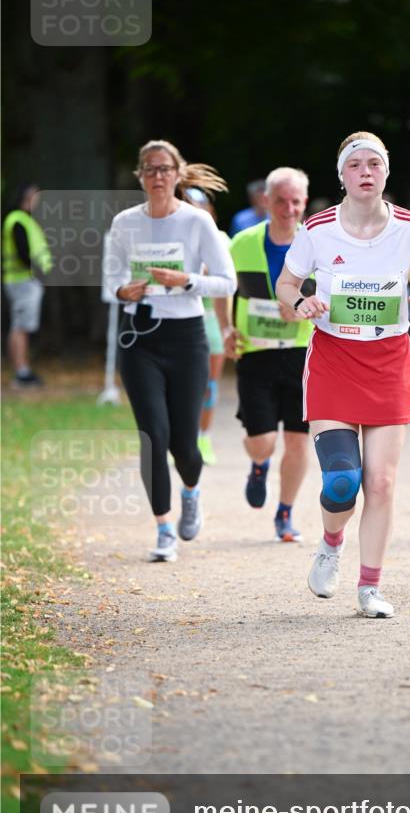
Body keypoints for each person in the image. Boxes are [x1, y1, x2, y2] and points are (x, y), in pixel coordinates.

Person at [276, 132, 410, 618]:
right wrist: (300, 302)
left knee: (381, 483)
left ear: (386, 172)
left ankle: (369, 588)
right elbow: (286, 283)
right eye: (356, 165)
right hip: (334, 359)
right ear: (342, 176)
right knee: (342, 481)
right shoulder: (318, 228)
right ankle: (331, 544)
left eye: (375, 164)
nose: (366, 172)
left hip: (389, 362)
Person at [104, 139, 237, 562]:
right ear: (140, 176)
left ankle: (191, 491)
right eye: (149, 169)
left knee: (185, 444)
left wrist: (186, 282)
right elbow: (110, 281)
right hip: (139, 338)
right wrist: (123, 289)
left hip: (186, 339)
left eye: (165, 169)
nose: (158, 176)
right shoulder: (124, 223)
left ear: (178, 175)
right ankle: (164, 529)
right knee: (152, 436)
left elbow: (227, 282)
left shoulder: (198, 223)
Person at [223, 168, 312, 543]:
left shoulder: (319, 246)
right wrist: (226, 327)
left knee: (297, 440)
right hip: (255, 352)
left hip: (302, 353)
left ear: (304, 203)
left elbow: (336, 295)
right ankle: (258, 465)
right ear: (265, 200)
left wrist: (303, 305)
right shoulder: (241, 243)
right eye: (280, 200)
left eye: (296, 201)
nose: (288, 209)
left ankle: (285, 514)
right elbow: (221, 287)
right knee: (262, 441)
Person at [182, 186, 232, 466]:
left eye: (199, 205)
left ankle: (204, 436)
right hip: (182, 319)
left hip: (211, 319)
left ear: (209, 210)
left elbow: (227, 283)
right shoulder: (174, 238)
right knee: (182, 384)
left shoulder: (222, 239)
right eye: (188, 204)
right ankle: (184, 436)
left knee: (208, 385)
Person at [2, 183, 53, 388]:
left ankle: (23, 370)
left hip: (24, 281)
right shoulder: (18, 220)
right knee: (20, 327)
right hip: (22, 280)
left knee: (21, 326)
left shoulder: (26, 220)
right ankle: (21, 372)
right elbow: (23, 253)